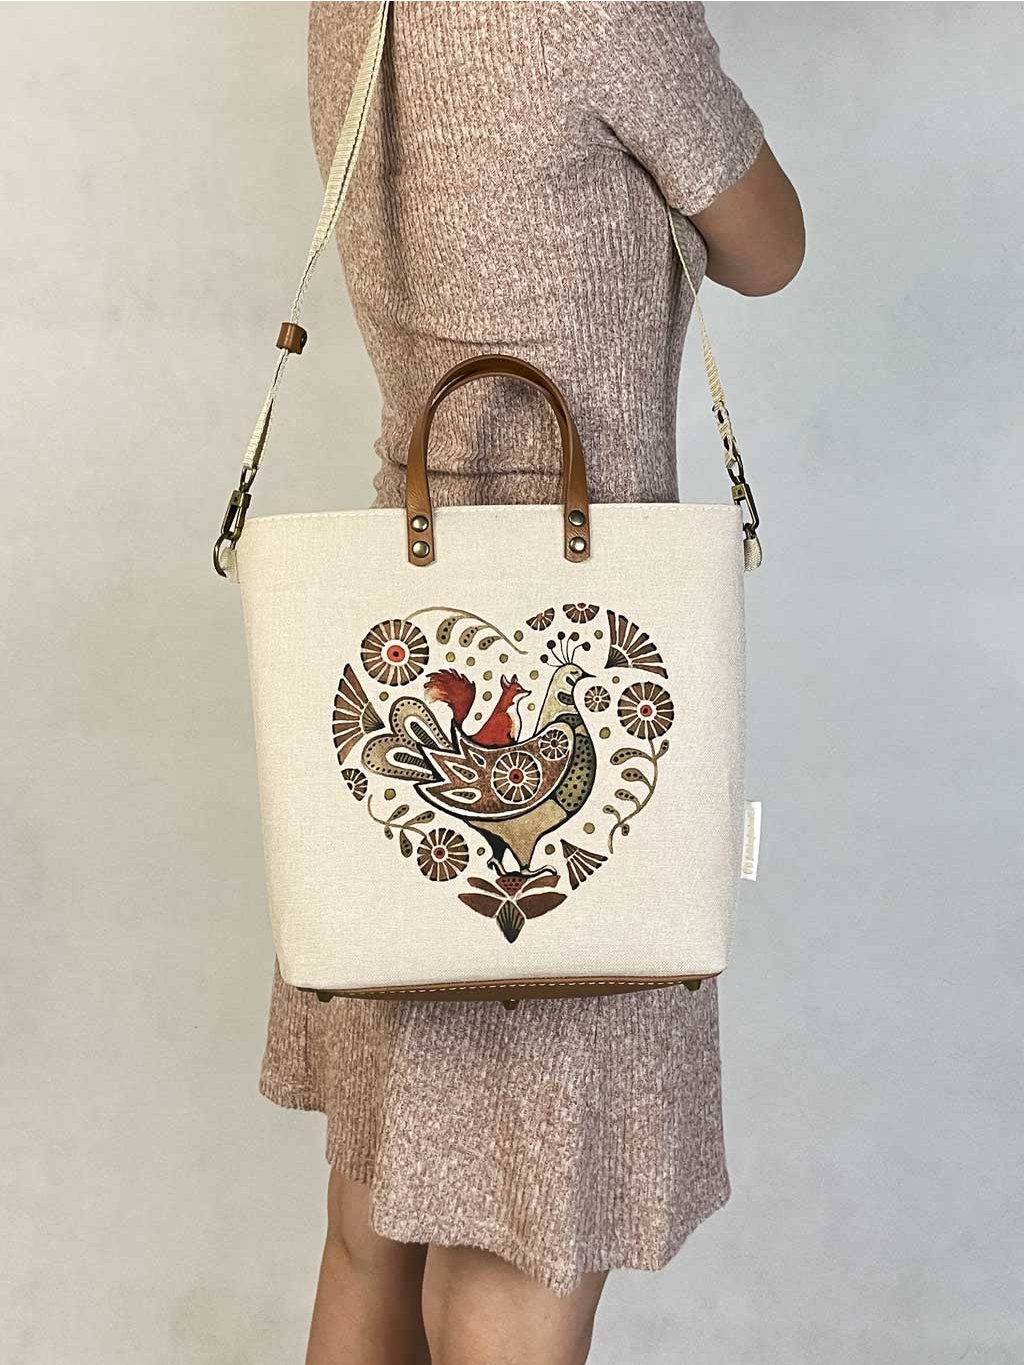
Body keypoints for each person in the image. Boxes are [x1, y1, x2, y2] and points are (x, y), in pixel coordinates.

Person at [260, 4, 804, 1363]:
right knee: (515, 1272)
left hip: (404, 686)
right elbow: (773, 246)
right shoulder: (602, 11)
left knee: (369, 1242)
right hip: (587, 667)